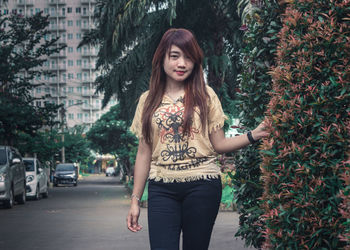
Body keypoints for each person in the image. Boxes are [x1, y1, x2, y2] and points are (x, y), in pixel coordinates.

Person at [127, 28, 269, 250]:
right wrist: (135, 200)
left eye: (189, 57)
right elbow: (144, 152)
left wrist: (254, 135)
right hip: (161, 187)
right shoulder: (147, 101)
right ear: (162, 58)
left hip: (202, 185)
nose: (182, 63)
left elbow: (219, 145)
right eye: (175, 56)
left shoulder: (206, 95)